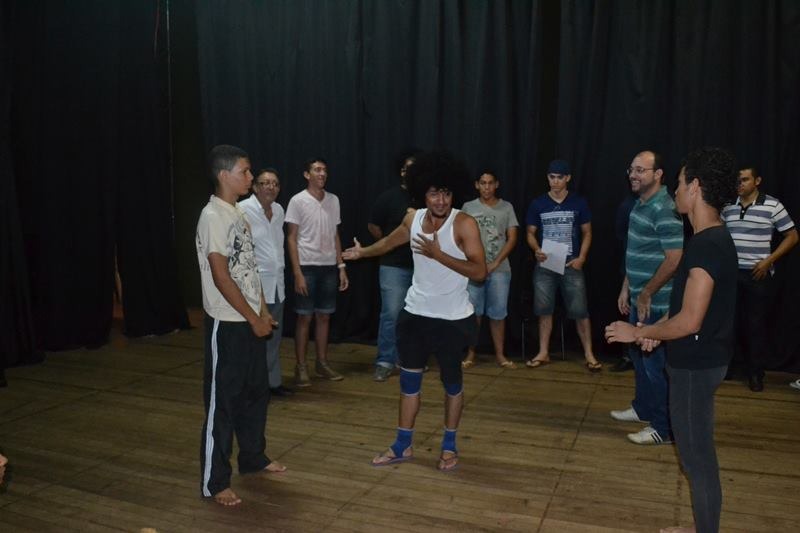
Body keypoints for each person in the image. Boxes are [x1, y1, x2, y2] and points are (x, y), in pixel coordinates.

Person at [606, 146, 739, 533]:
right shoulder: (709, 239)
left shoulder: (707, 245)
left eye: (679, 183)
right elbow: (683, 309)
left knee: (698, 460)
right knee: (695, 456)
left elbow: (690, 321)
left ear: (695, 187)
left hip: (696, 366)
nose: (676, 191)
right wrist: (658, 333)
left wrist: (639, 331)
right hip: (698, 360)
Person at [342, 151, 486, 472]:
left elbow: (480, 272)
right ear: (423, 193)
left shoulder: (464, 224)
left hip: (452, 319)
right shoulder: (413, 219)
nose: (440, 200)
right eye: (434, 193)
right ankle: (402, 445)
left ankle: (449, 446)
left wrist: (438, 254)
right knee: (409, 384)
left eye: (446, 193)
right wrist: (363, 253)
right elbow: (388, 243)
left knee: (452, 385)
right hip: (416, 314)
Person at [196, 145, 283, 507]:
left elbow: (248, 269)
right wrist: (250, 317)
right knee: (223, 403)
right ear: (224, 175)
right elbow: (220, 275)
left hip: (249, 321)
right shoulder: (213, 216)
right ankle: (215, 482)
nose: (250, 177)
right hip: (228, 324)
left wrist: (262, 311)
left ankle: (253, 457)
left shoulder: (237, 214)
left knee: (255, 393)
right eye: (244, 172)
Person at [610, 150, 683, 445]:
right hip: (639, 299)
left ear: (658, 174)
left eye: (640, 170)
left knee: (655, 369)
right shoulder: (639, 204)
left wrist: (647, 293)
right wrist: (627, 287)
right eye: (631, 169)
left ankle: (663, 428)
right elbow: (636, 251)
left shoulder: (665, 208)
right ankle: (643, 408)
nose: (633, 175)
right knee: (639, 361)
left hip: (656, 304)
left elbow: (674, 258)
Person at [721, 166, 798, 392]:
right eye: (737, 180)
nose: (740, 184)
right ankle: (727, 367)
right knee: (728, 323)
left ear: (757, 181)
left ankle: (755, 373)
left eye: (745, 179)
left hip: (757, 273)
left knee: (755, 326)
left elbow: (792, 236)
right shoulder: (728, 205)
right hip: (731, 273)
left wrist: (769, 261)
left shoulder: (772, 205)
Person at [524, 159, 601, 371]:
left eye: (559, 177)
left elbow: (587, 232)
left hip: (571, 262)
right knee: (544, 309)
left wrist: (582, 257)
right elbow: (529, 232)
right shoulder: (538, 203)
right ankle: (543, 351)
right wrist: (536, 249)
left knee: (580, 310)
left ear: (567, 178)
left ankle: (589, 353)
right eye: (552, 177)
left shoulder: (578, 202)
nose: (555, 181)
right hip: (546, 262)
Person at [285, 158, 349, 386]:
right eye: (317, 170)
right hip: (307, 266)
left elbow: (335, 235)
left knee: (324, 316)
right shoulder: (297, 200)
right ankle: (301, 366)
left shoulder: (333, 200)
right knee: (304, 317)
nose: (322, 174)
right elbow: (291, 238)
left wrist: (341, 266)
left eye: (324, 170)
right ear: (307, 174)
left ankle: (322, 363)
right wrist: (297, 273)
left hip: (329, 267)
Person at [240, 168, 293, 397]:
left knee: (273, 338)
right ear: (255, 187)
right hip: (255, 287)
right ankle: (254, 386)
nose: (271, 187)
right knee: (254, 339)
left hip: (277, 284)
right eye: (265, 183)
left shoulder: (279, 210)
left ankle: (273, 383)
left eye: (275, 183)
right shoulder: (242, 209)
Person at [461, 171, 518, 369]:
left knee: (498, 314)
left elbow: (512, 238)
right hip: (474, 269)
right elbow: (460, 236)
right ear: (477, 185)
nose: (487, 187)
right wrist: (471, 262)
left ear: (496, 184)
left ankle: (500, 355)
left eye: (490, 183)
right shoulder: (468, 207)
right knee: (473, 313)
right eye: (483, 183)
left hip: (500, 270)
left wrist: (495, 263)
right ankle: (471, 353)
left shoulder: (507, 207)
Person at [367, 153, 416, 382]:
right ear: (401, 172)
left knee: (415, 316)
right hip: (393, 267)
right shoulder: (389, 197)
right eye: (407, 168)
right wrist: (388, 244)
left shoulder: (427, 197)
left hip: (422, 268)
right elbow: (373, 226)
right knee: (392, 314)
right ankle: (385, 361)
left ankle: (410, 359)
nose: (411, 172)